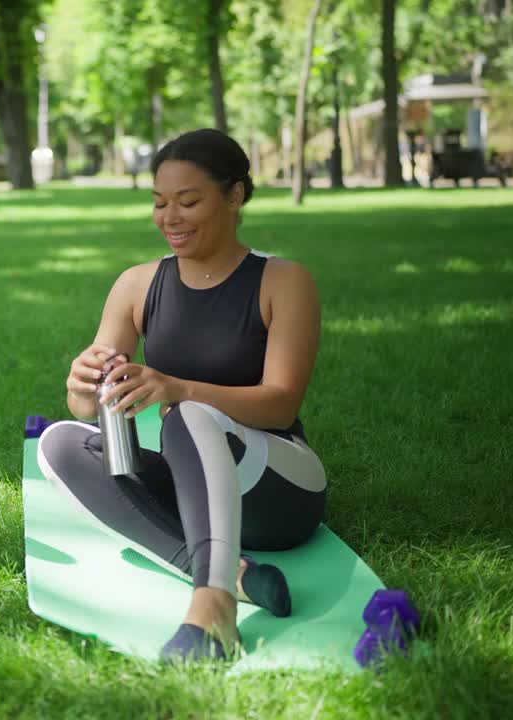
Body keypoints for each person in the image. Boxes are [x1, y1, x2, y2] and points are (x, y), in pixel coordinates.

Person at [36, 129, 327, 663]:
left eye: (188, 201)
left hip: (277, 485)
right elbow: (94, 406)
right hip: (194, 481)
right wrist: (82, 386)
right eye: (159, 202)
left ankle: (213, 611)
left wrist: (178, 389)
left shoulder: (282, 281)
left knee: (188, 414)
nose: (170, 217)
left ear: (235, 195)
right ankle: (235, 575)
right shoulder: (137, 285)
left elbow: (281, 403)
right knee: (60, 445)